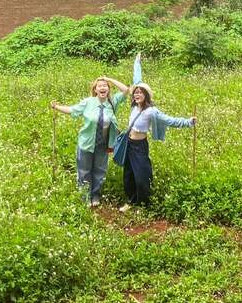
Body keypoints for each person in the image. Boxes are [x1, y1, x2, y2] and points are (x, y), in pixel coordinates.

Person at [51, 75, 129, 207]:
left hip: (103, 144)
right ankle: (85, 196)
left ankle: (95, 195)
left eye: (105, 86)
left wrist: (109, 79)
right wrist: (56, 107)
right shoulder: (88, 102)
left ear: (109, 89)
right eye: (100, 85)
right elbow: (72, 110)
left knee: (100, 170)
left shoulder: (112, 102)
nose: (103, 87)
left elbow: (126, 90)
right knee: (84, 170)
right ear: (95, 89)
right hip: (86, 143)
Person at [121, 80, 195, 210]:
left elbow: (170, 120)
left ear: (146, 95)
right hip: (129, 144)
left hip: (139, 146)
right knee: (128, 175)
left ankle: (143, 204)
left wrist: (188, 122)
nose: (137, 95)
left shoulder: (151, 111)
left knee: (142, 176)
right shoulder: (134, 107)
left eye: (140, 93)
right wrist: (137, 62)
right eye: (135, 93)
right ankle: (131, 200)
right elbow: (137, 78)